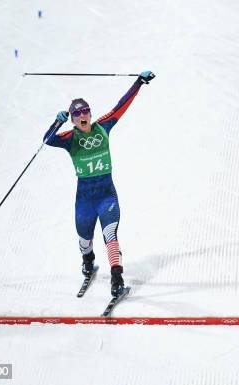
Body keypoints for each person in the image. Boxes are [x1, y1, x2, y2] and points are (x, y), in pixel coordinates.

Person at [43, 70, 155, 297]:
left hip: (106, 195)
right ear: (73, 119)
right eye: (78, 113)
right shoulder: (70, 139)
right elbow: (47, 140)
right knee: (84, 237)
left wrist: (138, 83)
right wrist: (57, 122)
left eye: (86, 111)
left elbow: (121, 106)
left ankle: (117, 277)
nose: (83, 115)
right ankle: (88, 261)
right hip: (84, 199)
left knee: (110, 233)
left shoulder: (103, 127)